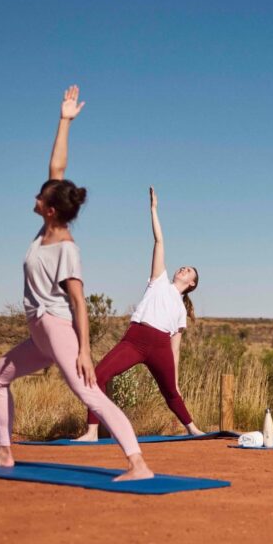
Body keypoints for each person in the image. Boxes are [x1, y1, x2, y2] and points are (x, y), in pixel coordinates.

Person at [0, 86, 152, 480]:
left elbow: (79, 304)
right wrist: (64, 120)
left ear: (51, 208)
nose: (36, 198)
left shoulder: (66, 249)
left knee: (87, 391)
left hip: (58, 330)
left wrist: (85, 352)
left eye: (40, 197)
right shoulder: (45, 229)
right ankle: (4, 453)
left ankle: (137, 463)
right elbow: (57, 167)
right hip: (40, 332)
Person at [74, 187, 202, 441]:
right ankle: (91, 431)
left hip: (160, 346)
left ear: (192, 284)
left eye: (188, 271)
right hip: (135, 338)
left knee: (171, 392)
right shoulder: (159, 280)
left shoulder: (180, 310)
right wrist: (153, 210)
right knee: (98, 375)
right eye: (183, 267)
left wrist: (175, 379)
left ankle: (192, 428)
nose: (183, 269)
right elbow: (159, 242)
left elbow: (175, 349)